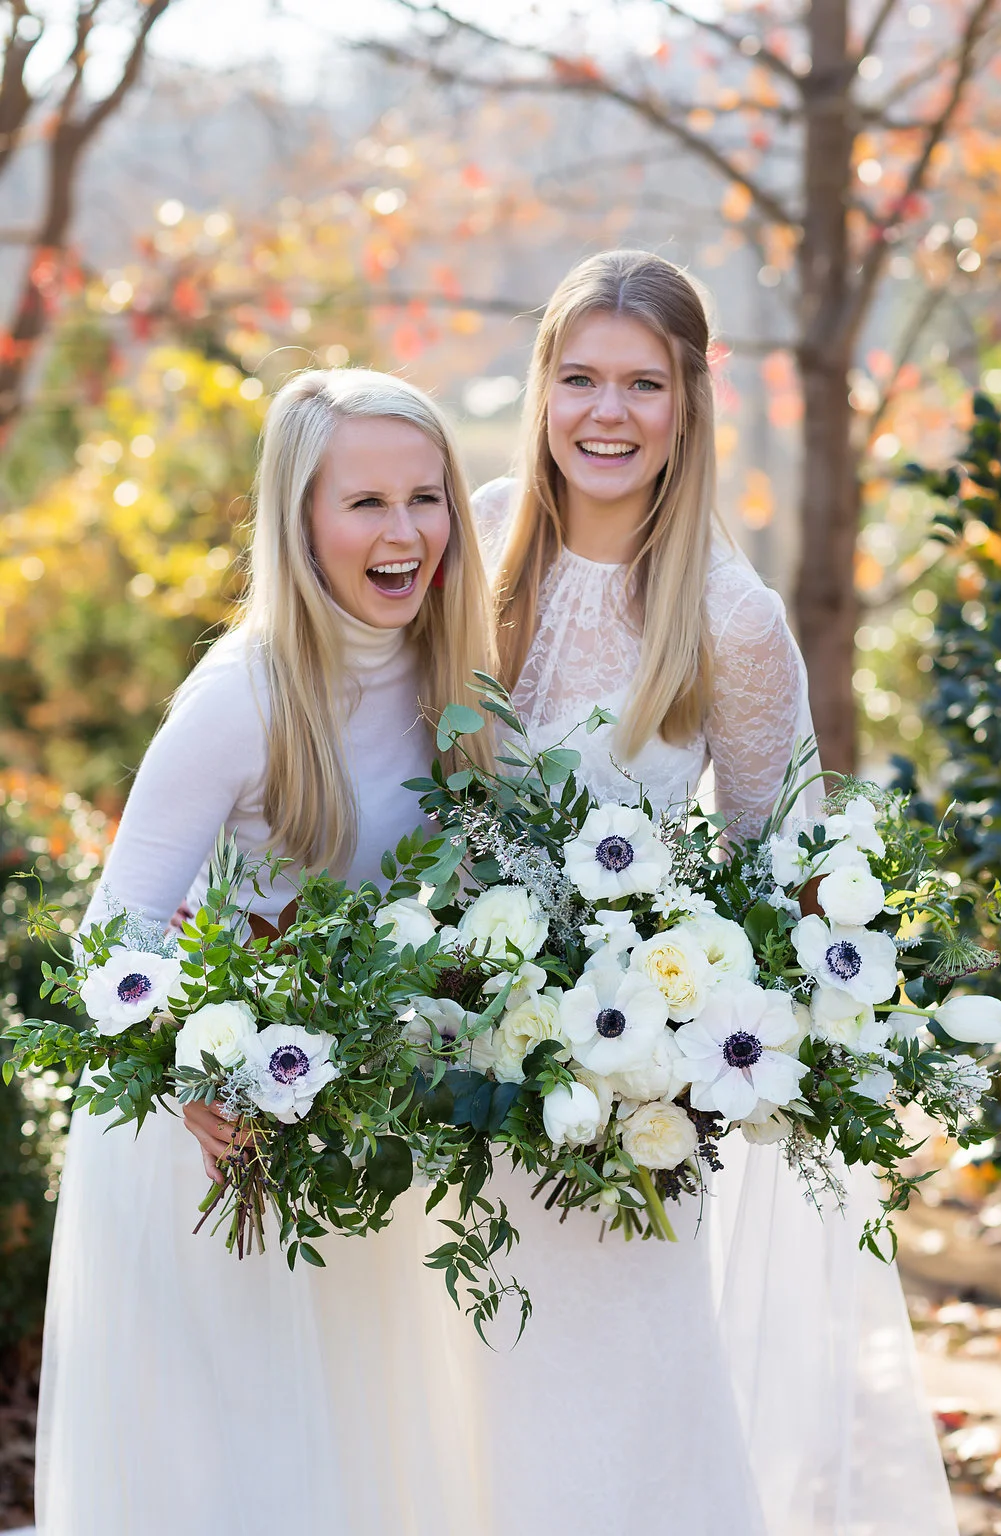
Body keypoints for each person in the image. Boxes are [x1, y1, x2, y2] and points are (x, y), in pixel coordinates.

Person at [469, 249, 958, 1536]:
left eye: (642, 382)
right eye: (578, 377)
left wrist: (688, 1057)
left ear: (690, 398)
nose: (606, 413)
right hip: (445, 1059)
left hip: (625, 1102)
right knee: (459, 1409)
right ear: (542, 387)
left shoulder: (726, 618)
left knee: (615, 1414)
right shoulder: (475, 544)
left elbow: (781, 871)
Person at [36, 369, 495, 1536]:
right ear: (299, 523)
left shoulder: (456, 682)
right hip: (221, 1150)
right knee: (255, 1470)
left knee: (370, 1460)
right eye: (365, 505)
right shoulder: (241, 697)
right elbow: (113, 944)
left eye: (426, 498)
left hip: (363, 1132)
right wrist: (196, 1085)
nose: (404, 534)